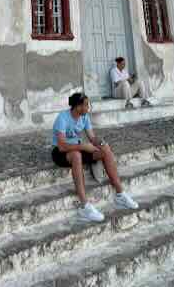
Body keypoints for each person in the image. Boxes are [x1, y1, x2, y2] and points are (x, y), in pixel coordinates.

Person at [51, 92, 139, 222]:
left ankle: (120, 194)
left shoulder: (84, 117)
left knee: (106, 149)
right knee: (76, 155)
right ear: (77, 106)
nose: (88, 107)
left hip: (79, 148)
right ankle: (84, 206)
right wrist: (83, 147)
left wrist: (100, 142)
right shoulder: (62, 118)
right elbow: (62, 146)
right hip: (60, 153)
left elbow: (92, 137)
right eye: (86, 105)